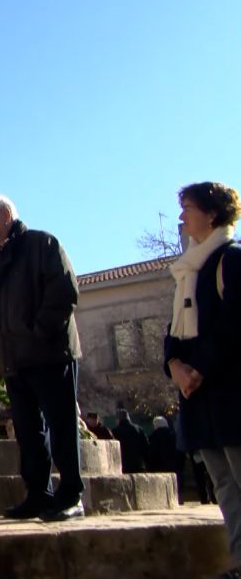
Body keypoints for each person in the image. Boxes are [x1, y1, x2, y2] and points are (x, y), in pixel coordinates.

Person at [0, 194, 84, 522]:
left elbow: (64, 292)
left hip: (49, 353)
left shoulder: (42, 244)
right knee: (28, 429)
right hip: (15, 358)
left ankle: (70, 496)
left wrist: (37, 332)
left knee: (61, 425)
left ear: (5, 214)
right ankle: (38, 494)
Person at [162, 181, 241, 578]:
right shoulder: (187, 269)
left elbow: (233, 323)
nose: (182, 216)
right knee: (224, 484)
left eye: (188, 207)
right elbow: (173, 331)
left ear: (212, 213)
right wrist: (174, 365)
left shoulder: (231, 259)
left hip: (228, 389)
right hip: (198, 394)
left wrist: (200, 369)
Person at [111, 409, 149, 473]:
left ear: (118, 419)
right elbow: (146, 447)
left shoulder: (115, 431)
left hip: (124, 465)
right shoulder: (139, 429)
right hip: (139, 464)